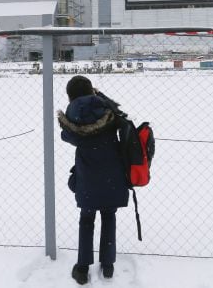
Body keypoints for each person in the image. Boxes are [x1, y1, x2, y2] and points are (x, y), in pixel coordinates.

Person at [58, 75, 129, 285]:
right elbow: (120, 113)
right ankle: (107, 265)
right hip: (112, 175)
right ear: (92, 91)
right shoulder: (106, 110)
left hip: (87, 177)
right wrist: (99, 96)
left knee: (86, 220)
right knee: (109, 217)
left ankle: (82, 268)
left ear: (70, 96)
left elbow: (66, 136)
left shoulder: (72, 116)